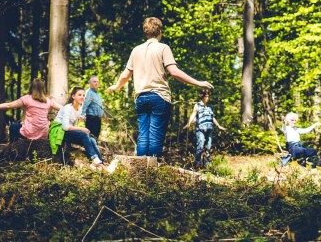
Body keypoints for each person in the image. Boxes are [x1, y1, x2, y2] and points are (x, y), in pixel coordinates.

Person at [108, 17, 213, 157]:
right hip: (159, 97)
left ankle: (139, 173)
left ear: (145, 32)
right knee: (155, 137)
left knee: (143, 136)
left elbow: (125, 75)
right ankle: (151, 173)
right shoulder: (163, 48)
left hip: (141, 98)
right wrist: (199, 82)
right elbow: (174, 72)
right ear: (160, 31)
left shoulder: (136, 50)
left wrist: (116, 87)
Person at [0, 78, 62, 142]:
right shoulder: (49, 101)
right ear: (43, 89)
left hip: (30, 132)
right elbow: (63, 108)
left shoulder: (26, 99)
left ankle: (14, 148)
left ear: (32, 87)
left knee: (13, 126)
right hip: (43, 133)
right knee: (20, 124)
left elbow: (8, 105)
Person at [50, 87, 105, 168]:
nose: (82, 97)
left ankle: (100, 163)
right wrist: (82, 129)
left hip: (69, 132)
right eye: (79, 95)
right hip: (60, 132)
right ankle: (94, 158)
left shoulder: (79, 108)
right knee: (83, 134)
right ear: (73, 96)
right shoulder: (67, 108)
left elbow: (78, 117)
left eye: (83, 95)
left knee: (92, 139)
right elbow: (65, 127)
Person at [183, 90, 226, 168]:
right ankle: (197, 163)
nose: (207, 98)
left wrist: (219, 126)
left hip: (209, 129)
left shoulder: (209, 107)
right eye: (206, 96)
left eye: (208, 96)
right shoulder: (197, 105)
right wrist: (189, 124)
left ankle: (207, 164)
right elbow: (193, 114)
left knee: (208, 146)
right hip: (200, 129)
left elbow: (212, 118)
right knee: (200, 144)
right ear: (202, 97)